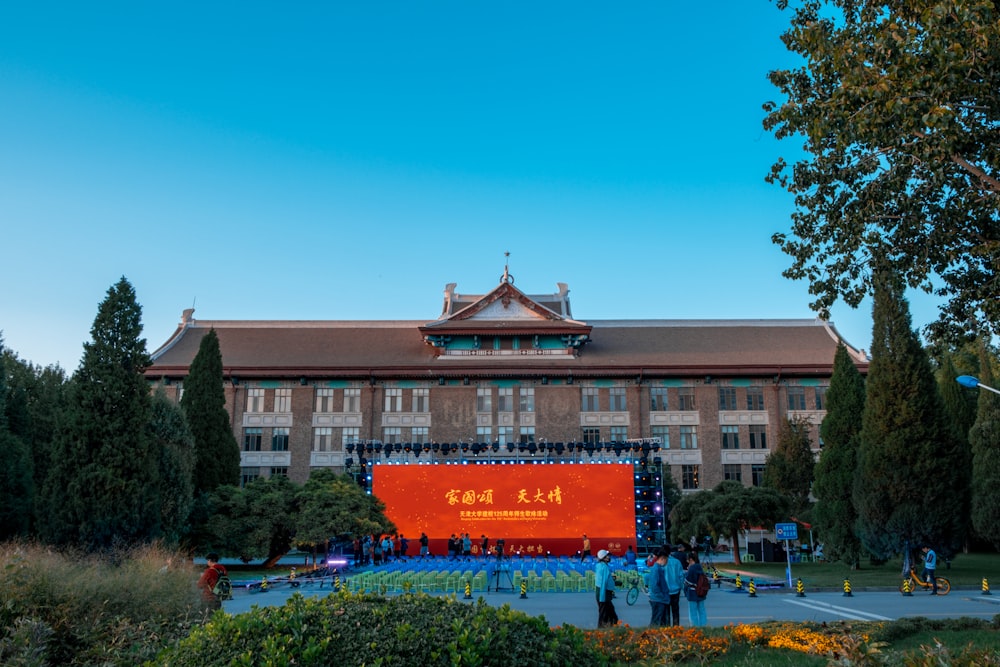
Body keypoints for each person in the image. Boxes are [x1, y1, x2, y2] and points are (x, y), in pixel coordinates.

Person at [594, 549, 618, 627]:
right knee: (604, 614)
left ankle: (612, 628)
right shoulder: (604, 568)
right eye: (607, 556)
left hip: (604, 594)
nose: (609, 557)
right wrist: (602, 598)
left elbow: (606, 580)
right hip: (603, 594)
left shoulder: (601, 566)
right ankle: (601, 630)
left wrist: (614, 582)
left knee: (611, 614)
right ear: (604, 558)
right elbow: (603, 583)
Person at [645, 547, 669, 626]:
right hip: (658, 600)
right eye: (666, 560)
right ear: (662, 559)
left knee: (661, 621)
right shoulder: (656, 569)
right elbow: (655, 586)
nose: (667, 562)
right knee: (656, 622)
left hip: (660, 599)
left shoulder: (658, 569)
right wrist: (661, 596)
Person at [684, 551, 707, 627]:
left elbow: (687, 581)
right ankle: (703, 625)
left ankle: (694, 626)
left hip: (692, 592)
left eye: (687, 560)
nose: (687, 562)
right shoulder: (699, 567)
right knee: (702, 610)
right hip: (701, 592)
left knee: (693, 611)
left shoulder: (692, 568)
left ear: (690, 559)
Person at [664, 544, 685, 626]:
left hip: (666, 590)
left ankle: (668, 628)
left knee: (666, 611)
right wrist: (681, 587)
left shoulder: (662, 562)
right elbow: (681, 576)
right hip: (676, 590)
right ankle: (676, 628)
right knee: (675, 610)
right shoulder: (677, 562)